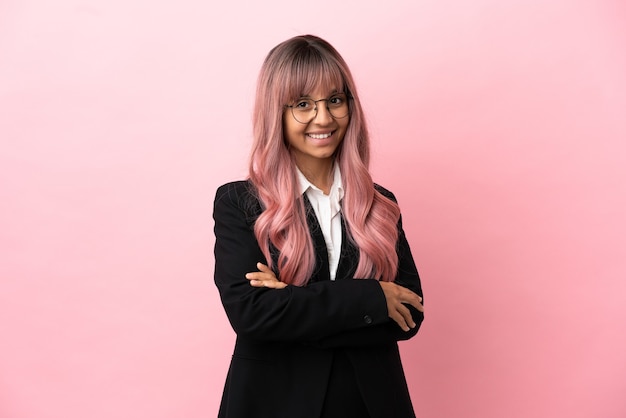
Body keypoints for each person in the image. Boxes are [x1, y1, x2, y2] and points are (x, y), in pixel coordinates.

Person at [213, 34, 424, 418]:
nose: (323, 118)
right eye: (303, 104)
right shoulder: (239, 203)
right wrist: (370, 300)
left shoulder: (381, 204)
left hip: (372, 404)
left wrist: (292, 302)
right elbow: (251, 313)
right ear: (276, 112)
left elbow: (410, 316)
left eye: (335, 100)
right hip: (273, 403)